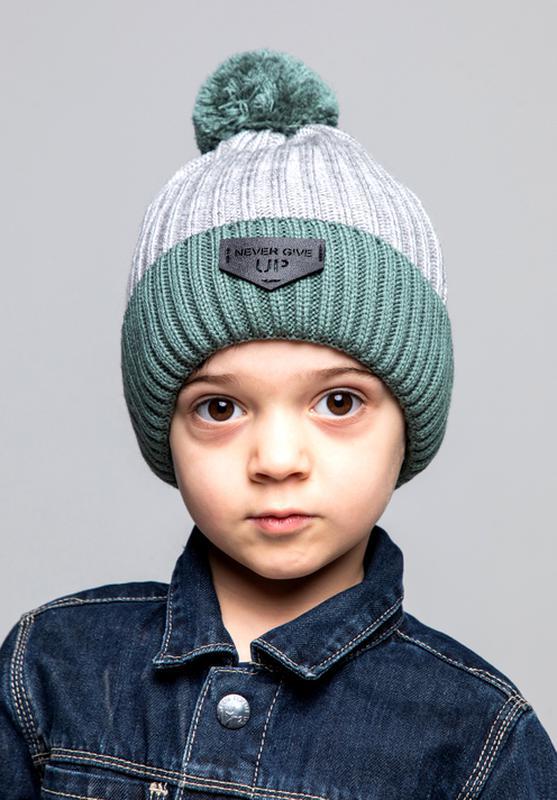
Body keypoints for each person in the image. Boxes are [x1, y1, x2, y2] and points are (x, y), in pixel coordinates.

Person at [1, 48, 555, 799]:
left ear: (410, 425)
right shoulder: (50, 668)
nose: (277, 458)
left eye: (339, 403)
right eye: (219, 408)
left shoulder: (477, 739)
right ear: (164, 431)